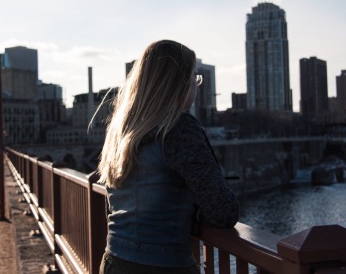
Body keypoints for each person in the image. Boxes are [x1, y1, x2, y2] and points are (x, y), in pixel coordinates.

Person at [96, 40, 239, 274]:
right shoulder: (179, 129)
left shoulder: (120, 131)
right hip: (164, 266)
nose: (197, 84)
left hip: (114, 262)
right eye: (195, 77)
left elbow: (111, 206)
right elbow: (223, 211)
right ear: (179, 84)